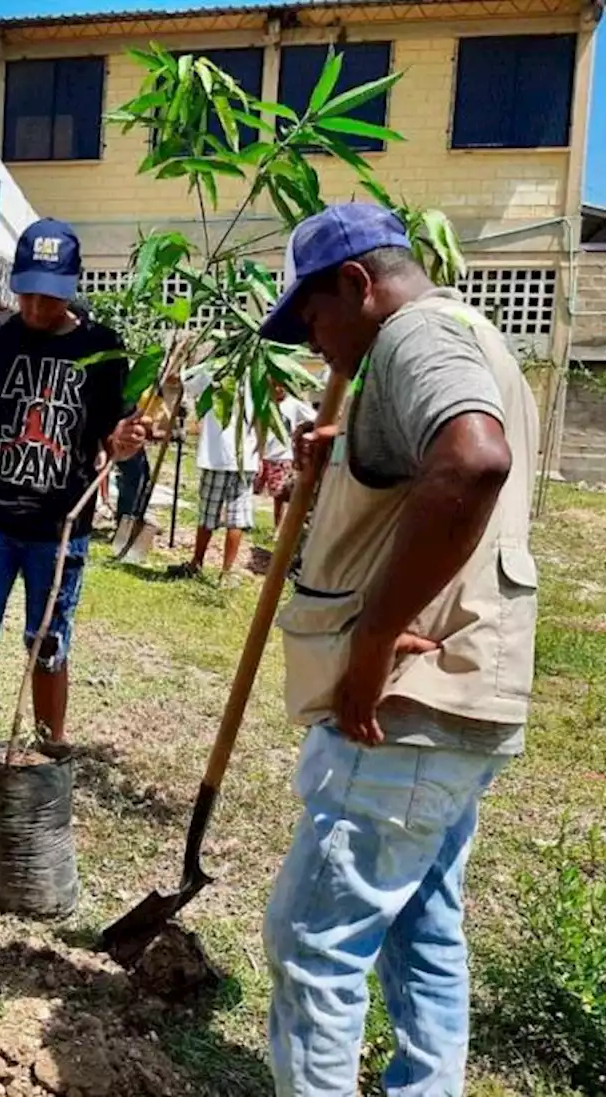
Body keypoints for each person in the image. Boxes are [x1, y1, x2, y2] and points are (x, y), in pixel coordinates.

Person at [259, 203, 538, 1096]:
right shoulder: (469, 333)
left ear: (357, 284)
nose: (312, 339)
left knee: (315, 942)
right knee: (423, 928)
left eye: (312, 315)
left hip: (404, 710)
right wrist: (356, 444)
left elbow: (471, 457)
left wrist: (374, 638)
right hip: (465, 705)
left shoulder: (413, 338)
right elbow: (441, 455)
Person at [0, 218, 147, 827]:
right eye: (26, 291)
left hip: (60, 531)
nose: (36, 305)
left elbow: (112, 439)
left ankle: (47, 762)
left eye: (49, 293)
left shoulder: (103, 347)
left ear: (72, 286)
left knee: (49, 647)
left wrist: (125, 442)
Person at [170, 369, 258, 582]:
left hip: (217, 455)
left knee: (209, 514)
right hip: (246, 457)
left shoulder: (213, 371)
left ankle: (197, 563)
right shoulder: (257, 374)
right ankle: (226, 573)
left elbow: (179, 381)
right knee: (236, 517)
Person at [256, 381, 315, 531]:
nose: (277, 388)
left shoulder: (293, 404)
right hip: (261, 454)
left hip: (282, 455)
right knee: (254, 489)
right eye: (274, 385)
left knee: (280, 495)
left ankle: (278, 527)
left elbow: (315, 417)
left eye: (280, 385)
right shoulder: (263, 402)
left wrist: (301, 430)